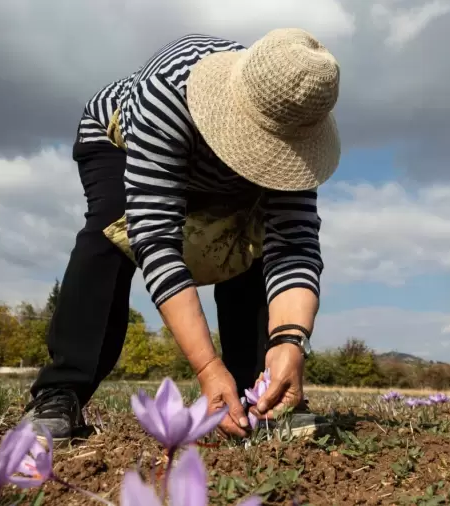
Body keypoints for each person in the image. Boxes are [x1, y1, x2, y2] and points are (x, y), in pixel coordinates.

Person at [24, 28, 342, 441]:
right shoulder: (168, 94)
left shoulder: (296, 124)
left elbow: (293, 247)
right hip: (121, 139)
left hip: (218, 170)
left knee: (253, 244)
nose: (263, 158)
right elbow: (154, 238)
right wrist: (207, 367)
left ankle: (260, 394)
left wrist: (290, 341)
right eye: (260, 145)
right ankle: (61, 391)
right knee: (112, 232)